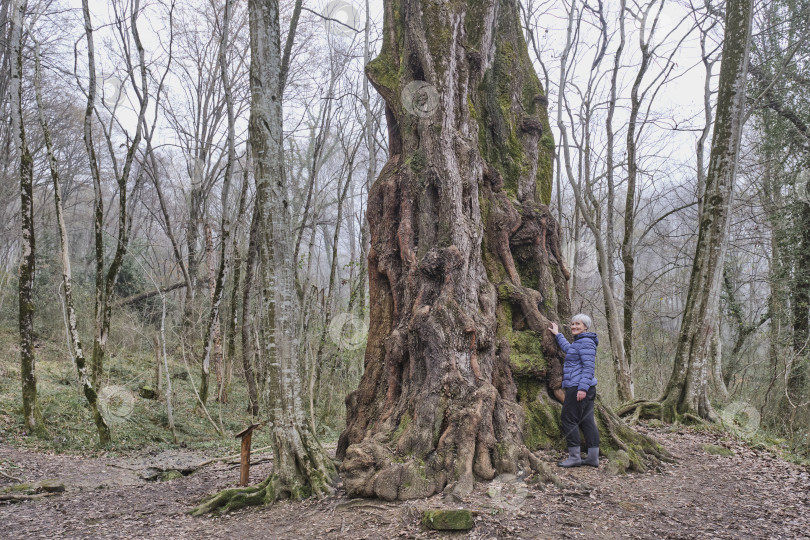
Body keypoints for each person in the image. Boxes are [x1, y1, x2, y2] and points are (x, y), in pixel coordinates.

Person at [548, 314, 600, 468]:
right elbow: (569, 350)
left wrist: (582, 388)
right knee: (587, 421)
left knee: (568, 418)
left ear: (585, 326)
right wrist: (558, 334)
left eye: (578, 324)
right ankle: (592, 458)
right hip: (583, 387)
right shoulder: (581, 342)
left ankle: (575, 457)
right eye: (572, 324)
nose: (574, 327)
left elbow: (589, 367)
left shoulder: (586, 343)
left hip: (579, 387)